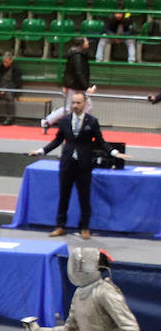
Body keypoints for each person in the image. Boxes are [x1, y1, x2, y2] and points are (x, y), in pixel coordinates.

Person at [29, 90, 127, 240]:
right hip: (67, 164)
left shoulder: (92, 121)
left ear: (85, 104)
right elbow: (57, 141)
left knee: (84, 197)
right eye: (73, 103)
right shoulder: (65, 120)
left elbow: (100, 142)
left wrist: (114, 153)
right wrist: (41, 150)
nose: (75, 105)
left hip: (84, 166)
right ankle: (60, 226)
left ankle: (85, 227)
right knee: (64, 197)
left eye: (78, 103)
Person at [43, 37, 95, 130]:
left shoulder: (78, 54)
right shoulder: (77, 55)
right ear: (81, 44)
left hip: (77, 85)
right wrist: (86, 87)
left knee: (87, 105)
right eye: (86, 41)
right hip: (75, 86)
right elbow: (78, 72)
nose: (88, 43)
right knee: (68, 108)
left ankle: (88, 125)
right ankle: (47, 121)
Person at [0, 53, 23, 125]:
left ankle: (10, 118)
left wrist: (6, 89)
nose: (4, 63)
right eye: (3, 62)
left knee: (9, 96)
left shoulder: (16, 70)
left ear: (11, 61)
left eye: (6, 62)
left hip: (10, 89)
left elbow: (17, 83)